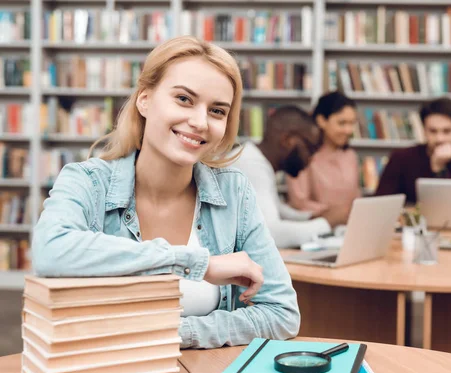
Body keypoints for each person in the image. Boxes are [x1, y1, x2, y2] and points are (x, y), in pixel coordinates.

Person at [30, 36, 300, 349]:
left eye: (217, 111)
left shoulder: (234, 193)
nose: (200, 122)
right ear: (144, 99)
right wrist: (199, 265)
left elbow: (282, 314)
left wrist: (174, 332)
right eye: (184, 99)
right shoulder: (87, 182)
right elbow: (50, 251)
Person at [232, 106, 349, 248]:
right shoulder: (250, 165)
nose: (311, 160)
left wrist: (312, 217)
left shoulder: (254, 159)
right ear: (288, 140)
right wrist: (327, 222)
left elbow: (276, 210)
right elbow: (269, 234)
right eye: (310, 150)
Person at [375, 97, 451, 203]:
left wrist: (439, 169)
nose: (440, 139)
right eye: (433, 131)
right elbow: (381, 200)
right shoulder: (401, 158)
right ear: (424, 131)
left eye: (447, 131)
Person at [286, 92, 361, 221]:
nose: (348, 130)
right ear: (322, 121)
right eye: (342, 123)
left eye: (352, 123)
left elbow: (356, 199)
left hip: (350, 228)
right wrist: (339, 214)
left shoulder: (350, 156)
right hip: (315, 230)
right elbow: (299, 204)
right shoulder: (301, 155)